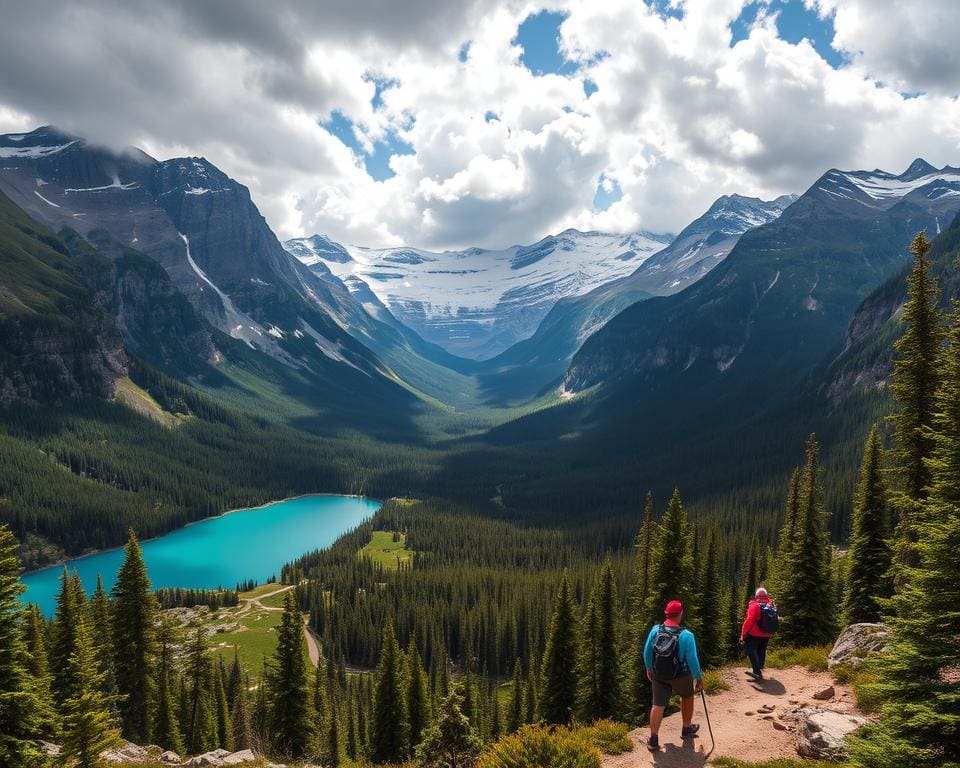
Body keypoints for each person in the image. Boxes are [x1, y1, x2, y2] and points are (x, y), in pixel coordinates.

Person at [643, 599, 703, 752]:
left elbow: (647, 652)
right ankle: (686, 727)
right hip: (681, 675)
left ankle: (654, 739)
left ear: (667, 614)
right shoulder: (687, 635)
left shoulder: (656, 629)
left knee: (657, 705)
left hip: (659, 674)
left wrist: (649, 668)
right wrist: (698, 678)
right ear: (680, 614)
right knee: (687, 696)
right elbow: (692, 659)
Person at [741, 587, 777, 680]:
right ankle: (758, 668)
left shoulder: (755, 605)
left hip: (754, 634)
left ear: (756, 596)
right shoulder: (771, 605)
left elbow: (749, 620)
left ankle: (757, 673)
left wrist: (743, 634)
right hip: (767, 633)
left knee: (751, 650)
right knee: (762, 651)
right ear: (766, 595)